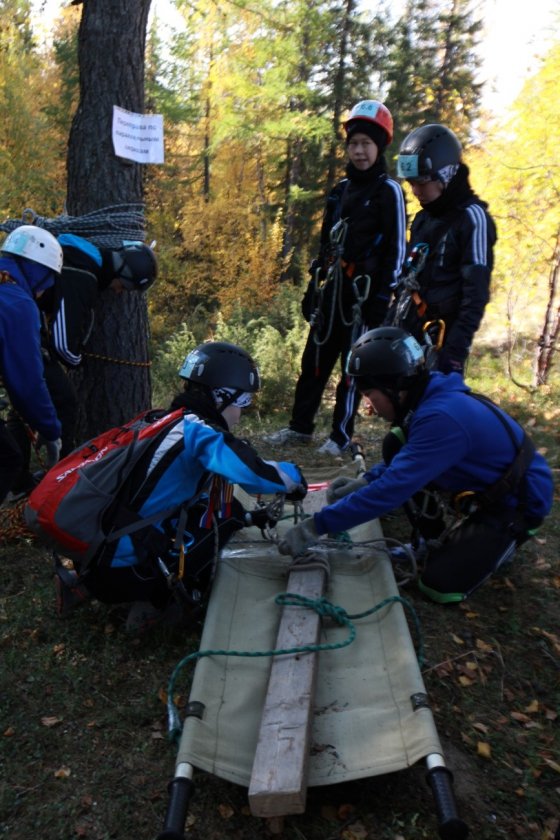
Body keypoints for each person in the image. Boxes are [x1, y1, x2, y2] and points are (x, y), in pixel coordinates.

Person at [277, 327, 553, 604]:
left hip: (518, 504)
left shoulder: (441, 418)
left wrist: (315, 526)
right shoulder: (428, 399)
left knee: (440, 587)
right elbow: (406, 464)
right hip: (488, 485)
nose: (369, 408)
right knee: (396, 442)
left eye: (370, 394)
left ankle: (504, 540)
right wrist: (366, 482)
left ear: (394, 387)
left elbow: (393, 489)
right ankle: (430, 539)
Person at [55, 340, 308, 632]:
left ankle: (79, 587)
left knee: (203, 506)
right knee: (228, 515)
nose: (243, 412)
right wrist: (295, 479)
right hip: (130, 574)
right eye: (243, 402)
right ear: (221, 396)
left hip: (94, 557)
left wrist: (254, 517)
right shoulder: (198, 432)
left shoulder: (160, 419)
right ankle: (156, 606)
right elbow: (254, 473)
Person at [265, 100, 406, 456]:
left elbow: (396, 250)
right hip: (333, 294)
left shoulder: (388, 192)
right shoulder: (340, 191)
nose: (359, 151)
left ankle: (340, 436)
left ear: (380, 147)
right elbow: (326, 244)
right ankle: (300, 428)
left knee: (350, 367)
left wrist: (382, 300)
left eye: (366, 144)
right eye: (354, 143)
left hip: (363, 295)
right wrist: (314, 287)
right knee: (313, 360)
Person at [6, 234, 158, 495]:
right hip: (25, 332)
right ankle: (54, 481)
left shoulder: (83, 258)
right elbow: (63, 347)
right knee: (63, 401)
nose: (119, 292)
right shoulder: (83, 277)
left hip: (23, 329)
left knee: (24, 404)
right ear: (122, 270)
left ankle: (20, 479)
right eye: (125, 285)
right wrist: (78, 360)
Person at [389, 124, 497, 374]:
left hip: (442, 340)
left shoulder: (472, 218)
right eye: (411, 183)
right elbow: (408, 280)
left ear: (445, 175)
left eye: (422, 183)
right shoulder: (423, 219)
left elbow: (475, 294)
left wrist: (455, 351)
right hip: (409, 332)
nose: (416, 191)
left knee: (434, 411)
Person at [0, 225, 63, 505]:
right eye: (46, 282)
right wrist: (51, 432)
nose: (42, 293)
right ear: (37, 271)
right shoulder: (17, 304)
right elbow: (26, 384)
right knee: (6, 459)